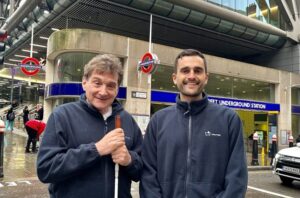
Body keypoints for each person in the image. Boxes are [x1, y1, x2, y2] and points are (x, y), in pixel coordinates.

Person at [140, 49, 248, 198]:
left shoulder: (229, 119)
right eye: (185, 71)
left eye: (197, 71)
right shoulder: (158, 121)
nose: (191, 76)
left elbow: (237, 177)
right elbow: (148, 175)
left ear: (206, 77)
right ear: (174, 78)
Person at [37, 54, 143, 198]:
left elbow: (143, 170)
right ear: (84, 82)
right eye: (97, 83)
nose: (103, 91)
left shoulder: (127, 120)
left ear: (117, 89)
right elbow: (46, 169)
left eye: (111, 85)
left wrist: (129, 160)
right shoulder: (62, 115)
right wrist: (96, 150)